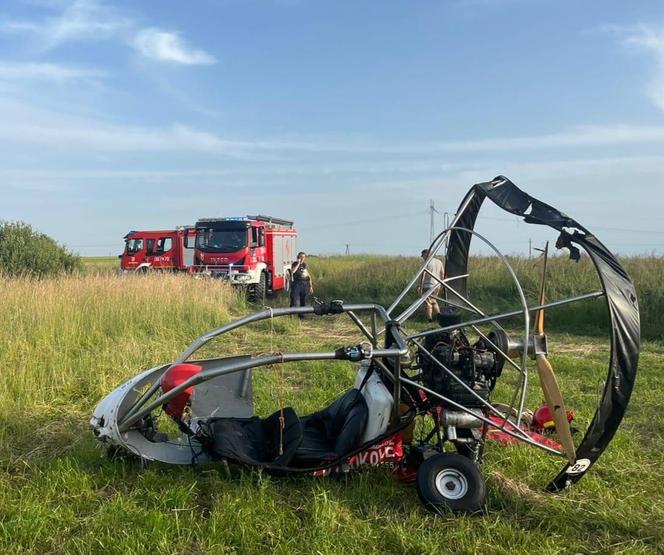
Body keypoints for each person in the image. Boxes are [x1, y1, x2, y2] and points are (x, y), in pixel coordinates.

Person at [419, 249, 444, 322]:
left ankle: (429, 319)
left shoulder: (426, 263)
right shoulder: (439, 262)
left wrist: (420, 285)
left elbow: (423, 275)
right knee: (434, 301)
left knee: (427, 303)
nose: (422, 257)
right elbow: (442, 274)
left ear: (427, 254)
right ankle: (440, 317)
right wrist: (442, 285)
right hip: (437, 285)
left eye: (423, 255)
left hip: (427, 285)